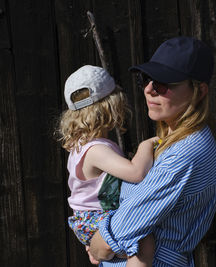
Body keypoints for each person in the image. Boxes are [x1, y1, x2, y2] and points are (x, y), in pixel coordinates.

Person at [88, 36, 216, 266]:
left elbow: (111, 239)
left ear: (199, 91)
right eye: (147, 79)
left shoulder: (185, 153)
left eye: (164, 83)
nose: (149, 90)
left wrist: (99, 241)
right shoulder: (178, 140)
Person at [56, 65, 157, 266]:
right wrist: (148, 144)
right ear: (111, 107)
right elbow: (136, 173)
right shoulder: (96, 150)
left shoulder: (81, 146)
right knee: (143, 239)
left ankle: (99, 250)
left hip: (89, 220)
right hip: (97, 219)